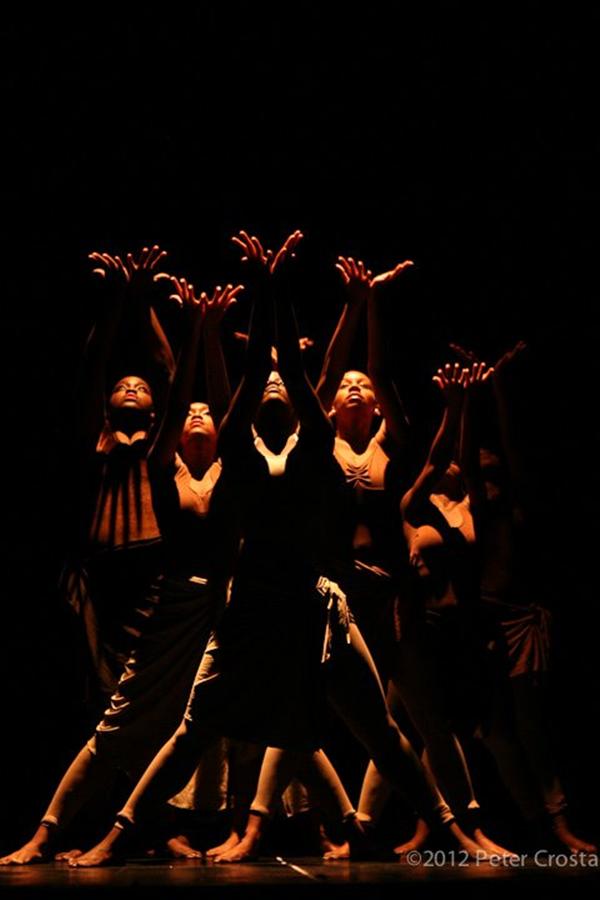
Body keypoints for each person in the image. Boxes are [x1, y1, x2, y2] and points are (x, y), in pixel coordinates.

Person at [0, 251, 241, 865]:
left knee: (159, 707)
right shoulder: (100, 439)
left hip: (157, 579)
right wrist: (113, 309)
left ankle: (152, 826)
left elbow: (171, 373)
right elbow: (91, 372)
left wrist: (146, 305)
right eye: (122, 386)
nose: (132, 385)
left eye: (142, 387)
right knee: (107, 705)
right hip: (103, 583)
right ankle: (106, 824)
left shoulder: (164, 445)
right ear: (109, 404)